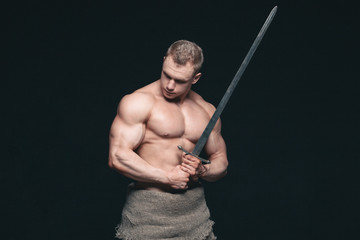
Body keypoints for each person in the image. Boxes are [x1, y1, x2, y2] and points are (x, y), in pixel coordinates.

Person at [108, 40, 228, 239]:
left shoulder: (207, 110)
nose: (170, 85)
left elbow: (221, 161)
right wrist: (166, 177)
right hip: (148, 215)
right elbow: (117, 156)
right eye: (167, 75)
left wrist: (203, 170)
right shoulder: (139, 102)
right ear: (164, 62)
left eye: (179, 81)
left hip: (195, 216)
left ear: (196, 78)